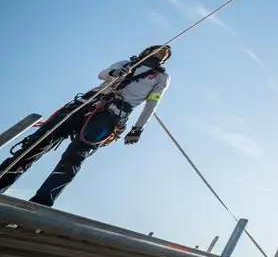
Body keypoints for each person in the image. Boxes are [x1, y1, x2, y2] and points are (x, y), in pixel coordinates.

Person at [0, 45, 172, 207]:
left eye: (165, 53)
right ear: (147, 51)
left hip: (110, 116)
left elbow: (152, 103)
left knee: (74, 157)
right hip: (83, 105)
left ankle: (40, 204)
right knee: (36, 143)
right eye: (160, 49)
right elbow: (102, 74)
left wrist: (138, 128)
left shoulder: (161, 77)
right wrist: (114, 73)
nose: (163, 52)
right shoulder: (126, 63)